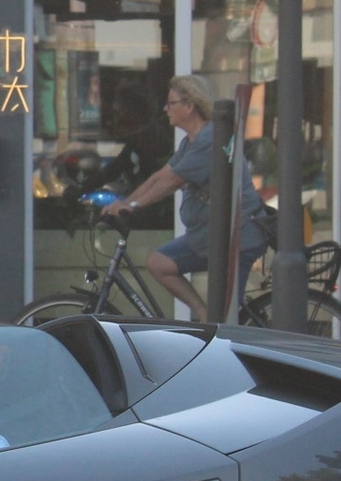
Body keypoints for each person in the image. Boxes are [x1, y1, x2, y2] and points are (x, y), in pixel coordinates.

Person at [113, 74, 266, 323]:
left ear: (189, 105)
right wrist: (124, 203)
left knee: (226, 324)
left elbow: (172, 182)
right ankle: (203, 312)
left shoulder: (209, 139)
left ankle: (236, 347)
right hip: (210, 237)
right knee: (159, 263)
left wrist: (132, 206)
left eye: (171, 103)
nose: (166, 109)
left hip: (236, 237)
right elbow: (159, 177)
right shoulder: (190, 141)